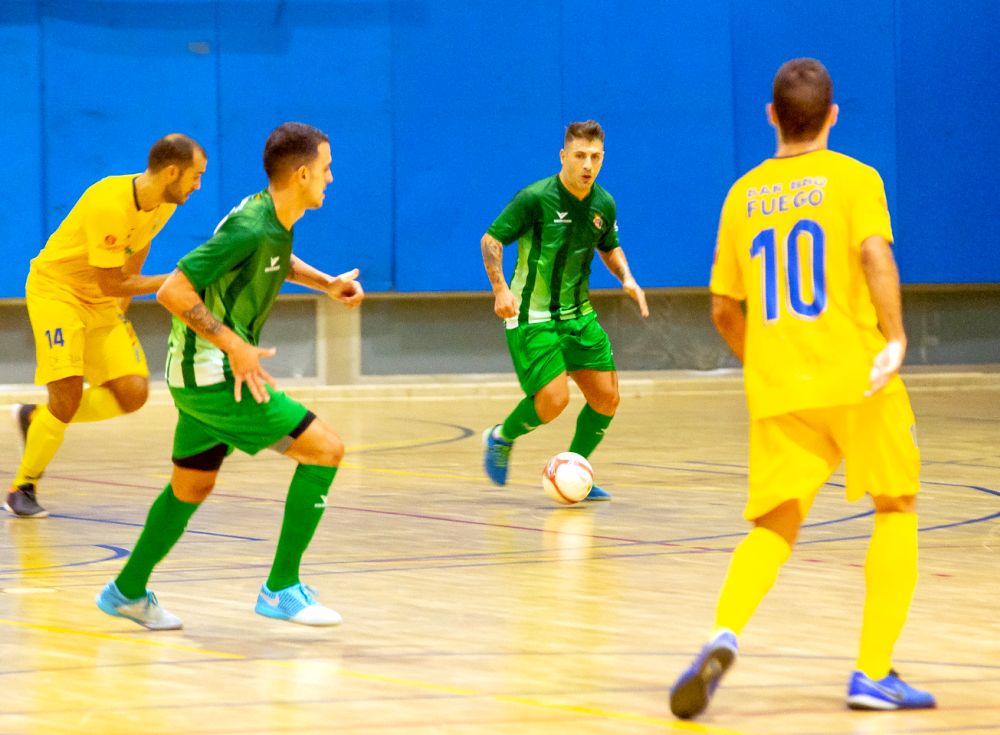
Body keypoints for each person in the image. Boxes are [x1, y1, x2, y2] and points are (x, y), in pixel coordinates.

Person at [669, 58, 935, 718]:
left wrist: (762, 360)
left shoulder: (743, 194)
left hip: (780, 384)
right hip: (859, 375)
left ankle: (723, 632)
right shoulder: (854, 178)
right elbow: (876, 254)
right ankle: (873, 672)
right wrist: (896, 338)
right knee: (895, 506)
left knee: (774, 525)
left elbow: (723, 308)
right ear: (833, 116)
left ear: (771, 116)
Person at [95, 122, 363, 629]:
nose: (331, 178)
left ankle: (126, 590)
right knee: (325, 449)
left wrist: (325, 283)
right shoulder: (252, 225)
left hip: (196, 373)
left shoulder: (272, 217)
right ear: (302, 172)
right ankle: (281, 588)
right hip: (213, 375)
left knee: (190, 487)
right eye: (326, 169)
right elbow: (173, 290)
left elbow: (273, 261)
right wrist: (235, 345)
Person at [6, 134, 207, 518]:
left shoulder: (163, 202)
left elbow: (138, 250)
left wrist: (123, 306)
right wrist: (177, 280)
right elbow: (110, 281)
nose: (198, 185)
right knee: (66, 394)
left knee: (132, 392)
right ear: (170, 171)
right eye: (194, 176)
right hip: (58, 292)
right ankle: (22, 487)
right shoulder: (108, 203)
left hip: (100, 297)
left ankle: (35, 419)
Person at [480, 120, 649, 501]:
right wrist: (500, 289)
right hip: (532, 316)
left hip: (578, 315)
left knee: (606, 398)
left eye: (595, 157)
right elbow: (491, 240)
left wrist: (627, 277)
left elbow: (609, 244)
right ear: (563, 156)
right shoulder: (535, 198)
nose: (588, 164)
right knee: (554, 401)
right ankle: (500, 437)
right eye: (580, 156)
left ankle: (575, 468)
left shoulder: (603, 203)